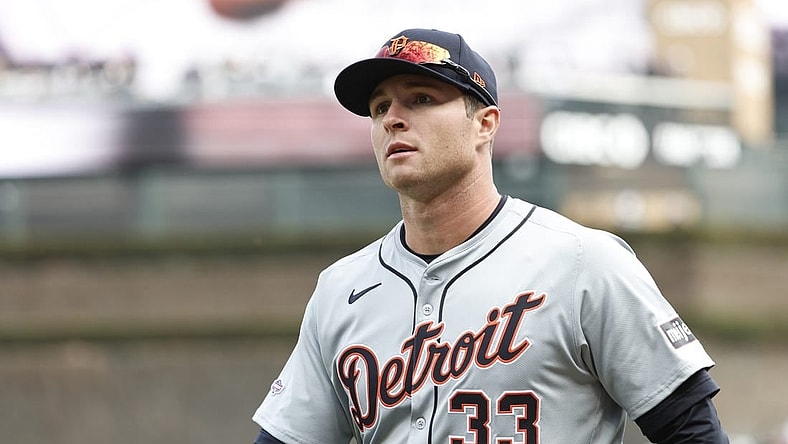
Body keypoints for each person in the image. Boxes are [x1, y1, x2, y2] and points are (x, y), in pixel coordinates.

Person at [251, 28, 729, 443]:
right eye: (379, 108)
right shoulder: (340, 290)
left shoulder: (584, 262)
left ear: (485, 123)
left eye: (420, 98)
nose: (392, 118)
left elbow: (689, 428)